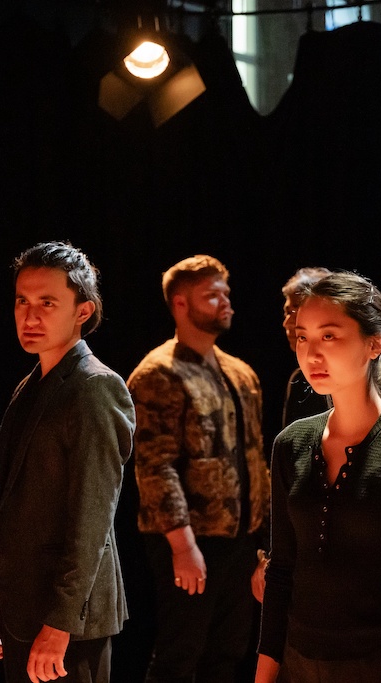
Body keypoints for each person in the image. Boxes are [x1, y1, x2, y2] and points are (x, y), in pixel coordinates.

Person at [256, 271, 381, 683]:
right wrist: (265, 673)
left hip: (377, 663)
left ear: (374, 343)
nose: (311, 354)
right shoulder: (291, 443)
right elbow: (282, 571)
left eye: (329, 336)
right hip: (298, 662)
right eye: (303, 337)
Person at [0, 241, 136, 683]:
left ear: (82, 312)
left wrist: (61, 622)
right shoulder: (29, 387)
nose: (30, 317)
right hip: (22, 612)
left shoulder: (94, 388)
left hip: (68, 622)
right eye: (22, 302)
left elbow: (92, 516)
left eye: (48, 303)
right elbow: (5, 509)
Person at [127, 255, 271, 683]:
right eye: (212, 295)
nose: (225, 302)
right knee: (181, 653)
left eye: (225, 292)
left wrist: (263, 546)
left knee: (227, 652)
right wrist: (182, 545)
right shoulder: (158, 373)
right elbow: (155, 465)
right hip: (191, 541)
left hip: (240, 540)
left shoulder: (240, 373)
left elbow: (255, 460)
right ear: (181, 304)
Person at [279, 267, 332, 427]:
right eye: (286, 312)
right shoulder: (300, 380)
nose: (286, 323)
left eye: (294, 310)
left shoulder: (359, 376)